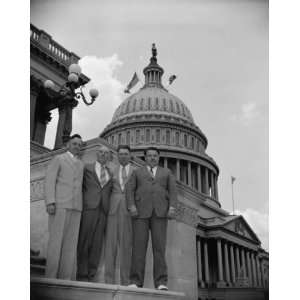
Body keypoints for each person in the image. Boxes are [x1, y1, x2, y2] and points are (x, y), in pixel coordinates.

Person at [127, 147, 177, 290]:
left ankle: (161, 282)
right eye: (149, 156)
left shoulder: (166, 172)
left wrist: (172, 207)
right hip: (140, 214)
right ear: (145, 158)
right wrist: (131, 206)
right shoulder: (137, 172)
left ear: (159, 158)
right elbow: (130, 190)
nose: (152, 158)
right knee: (138, 249)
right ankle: (135, 281)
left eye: (155, 155)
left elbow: (173, 191)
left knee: (159, 249)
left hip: (160, 214)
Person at [44, 134, 84, 280]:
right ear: (68, 145)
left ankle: (65, 278)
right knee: (55, 243)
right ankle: (51, 277)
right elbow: (50, 181)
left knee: (70, 245)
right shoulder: (58, 159)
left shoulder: (81, 164)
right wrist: (50, 202)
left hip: (76, 207)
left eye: (80, 145)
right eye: (75, 144)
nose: (77, 147)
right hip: (60, 205)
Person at [77, 145, 113, 282]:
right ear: (97, 154)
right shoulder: (87, 168)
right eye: (101, 152)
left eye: (106, 153)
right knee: (84, 241)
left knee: (97, 245)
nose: (103, 155)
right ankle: (81, 274)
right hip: (89, 208)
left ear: (110, 157)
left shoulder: (110, 172)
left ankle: (91, 274)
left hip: (103, 210)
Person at [105, 145, 136, 285]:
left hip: (129, 212)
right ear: (117, 156)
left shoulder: (137, 172)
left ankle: (125, 281)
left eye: (126, 154)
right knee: (110, 247)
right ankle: (108, 280)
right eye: (121, 154)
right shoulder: (111, 170)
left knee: (126, 247)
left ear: (130, 156)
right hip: (113, 210)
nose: (123, 156)